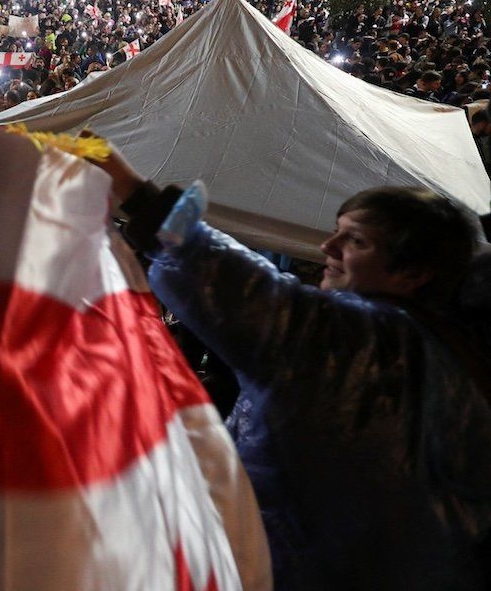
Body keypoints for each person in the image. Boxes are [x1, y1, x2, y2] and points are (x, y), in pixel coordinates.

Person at [95, 143, 491, 590]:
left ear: (415, 272)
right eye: (337, 231)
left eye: (356, 240)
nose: (328, 246)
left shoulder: (369, 341)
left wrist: (133, 191)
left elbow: (251, 295)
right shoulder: (449, 353)